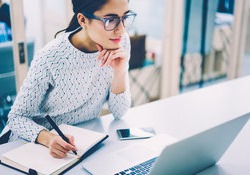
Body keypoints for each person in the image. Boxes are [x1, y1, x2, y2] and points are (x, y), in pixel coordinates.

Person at [2, 0, 136, 158]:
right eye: (110, 20)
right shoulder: (51, 57)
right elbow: (16, 118)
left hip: (79, 145)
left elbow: (119, 112)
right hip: (32, 146)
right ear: (82, 20)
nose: (121, 30)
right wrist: (48, 138)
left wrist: (120, 71)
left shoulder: (121, 43)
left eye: (125, 17)